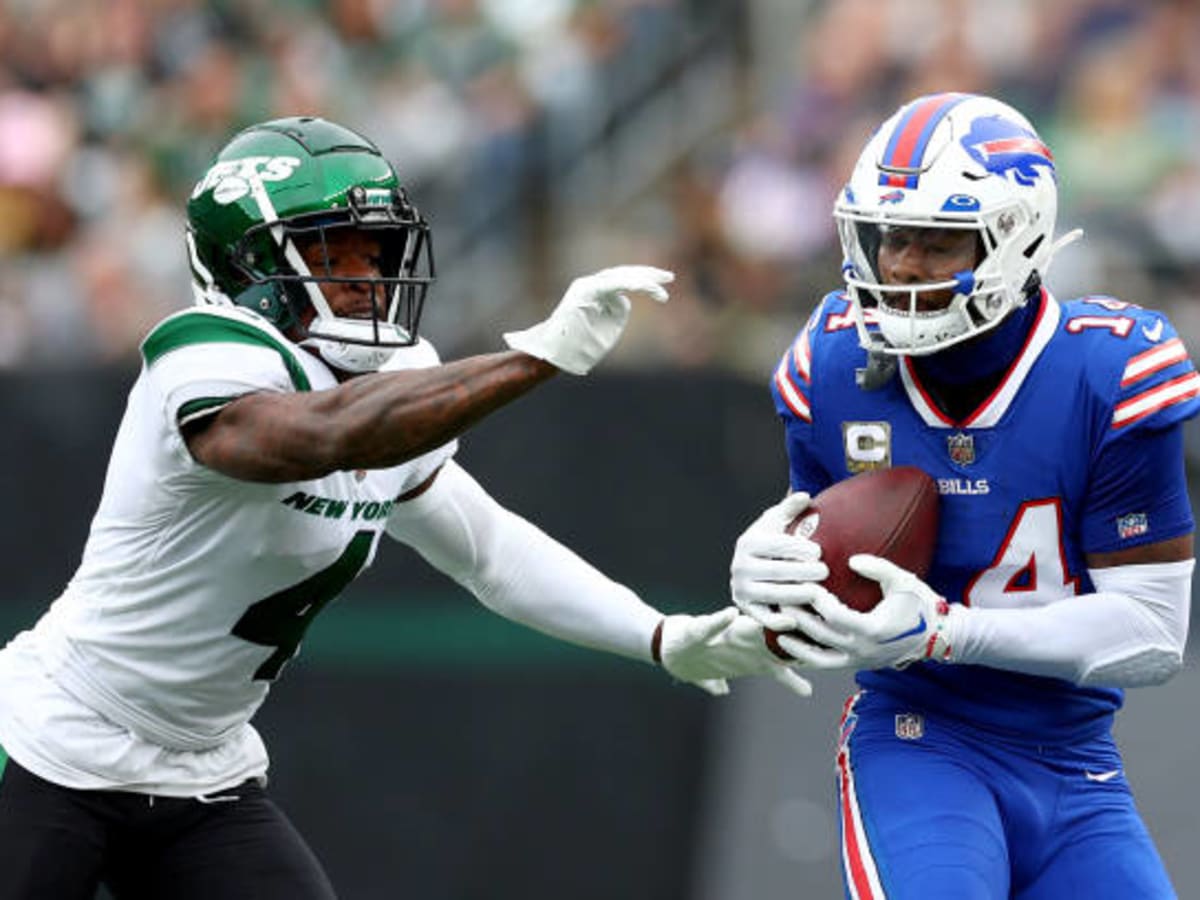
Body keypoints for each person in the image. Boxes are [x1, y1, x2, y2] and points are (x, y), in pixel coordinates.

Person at [0, 116, 811, 900]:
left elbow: (491, 552)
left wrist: (661, 637)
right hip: (53, 745)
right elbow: (326, 433)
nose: (365, 277)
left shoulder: (397, 385)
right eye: (331, 253)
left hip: (201, 771)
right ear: (247, 270)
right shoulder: (204, 353)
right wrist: (535, 359)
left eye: (375, 251)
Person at [730, 92, 1197, 899]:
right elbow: (824, 571)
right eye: (889, 237)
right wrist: (760, 576)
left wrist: (949, 631)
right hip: (920, 743)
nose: (902, 265)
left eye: (938, 241)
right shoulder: (832, 368)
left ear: (1015, 242)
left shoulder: (1108, 373)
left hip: (1076, 761)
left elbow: (1155, 634)